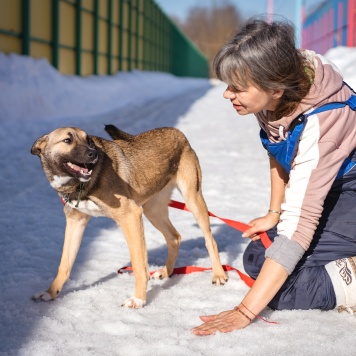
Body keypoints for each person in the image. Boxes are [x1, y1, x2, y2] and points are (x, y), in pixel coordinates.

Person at [192, 18, 356, 336]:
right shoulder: (276, 83)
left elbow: (300, 225)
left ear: (275, 89)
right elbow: (278, 149)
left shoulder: (320, 123)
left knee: (284, 286)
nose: (227, 95)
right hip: (332, 185)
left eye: (237, 88)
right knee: (259, 256)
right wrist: (273, 213)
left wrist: (245, 310)